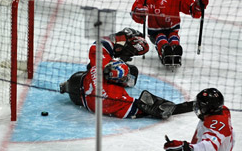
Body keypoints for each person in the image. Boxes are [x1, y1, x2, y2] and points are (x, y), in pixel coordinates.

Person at [59, 28, 194, 119]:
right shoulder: (111, 92)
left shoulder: (101, 63)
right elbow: (135, 107)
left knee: (130, 72)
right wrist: (149, 108)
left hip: (88, 89)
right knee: (127, 72)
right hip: (94, 95)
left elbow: (102, 49)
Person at [128, 88, 235, 151]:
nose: (197, 108)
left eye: (200, 106)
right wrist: (185, 149)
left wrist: (186, 149)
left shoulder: (217, 125)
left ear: (210, 109)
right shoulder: (219, 111)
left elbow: (206, 150)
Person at [130, 0, 209, 66]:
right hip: (155, 32)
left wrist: (198, 4)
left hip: (172, 29)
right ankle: (164, 50)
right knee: (161, 38)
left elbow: (193, 11)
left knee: (174, 39)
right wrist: (139, 12)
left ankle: (175, 50)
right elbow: (134, 13)